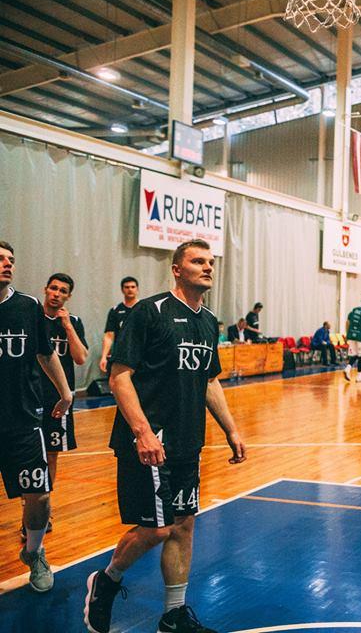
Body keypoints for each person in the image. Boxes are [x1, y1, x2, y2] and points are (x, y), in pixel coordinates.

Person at [83, 239, 247, 633]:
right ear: (176, 269)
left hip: (188, 441)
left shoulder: (208, 320)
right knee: (157, 528)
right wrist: (142, 432)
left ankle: (173, 616)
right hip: (148, 442)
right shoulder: (149, 311)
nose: (207, 267)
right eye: (197, 261)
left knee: (183, 524)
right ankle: (106, 580)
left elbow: (209, 381)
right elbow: (119, 376)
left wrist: (231, 429)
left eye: (210, 262)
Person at [0, 241, 73, 593]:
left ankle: (34, 552)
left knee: (40, 495)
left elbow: (46, 354)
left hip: (23, 418)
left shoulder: (27, 306)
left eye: (11, 259)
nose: (7, 264)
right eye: (0, 259)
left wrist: (66, 392)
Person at [28, 273, 88, 540]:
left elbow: (80, 358)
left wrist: (67, 326)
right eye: (53, 288)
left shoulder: (73, 322)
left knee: (52, 455)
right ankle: (29, 507)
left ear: (68, 296)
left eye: (63, 291)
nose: (57, 294)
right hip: (30, 396)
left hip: (59, 400)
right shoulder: (32, 318)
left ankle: (44, 509)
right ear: (45, 289)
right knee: (29, 455)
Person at [99, 276, 139, 373]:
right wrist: (104, 356)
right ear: (122, 290)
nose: (130, 289)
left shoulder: (144, 308)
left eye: (133, 287)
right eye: (127, 287)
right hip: (121, 355)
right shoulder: (115, 311)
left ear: (137, 289)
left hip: (140, 355)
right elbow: (109, 335)